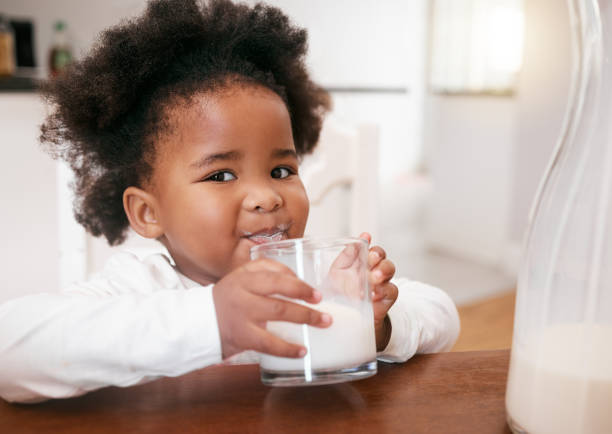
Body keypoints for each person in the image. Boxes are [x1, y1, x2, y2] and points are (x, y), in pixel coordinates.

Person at [0, 0, 459, 403]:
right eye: (220, 174)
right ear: (148, 212)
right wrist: (214, 320)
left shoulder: (314, 279)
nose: (265, 196)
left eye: (282, 170)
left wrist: (372, 323)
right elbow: (10, 352)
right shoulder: (141, 286)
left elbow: (443, 314)